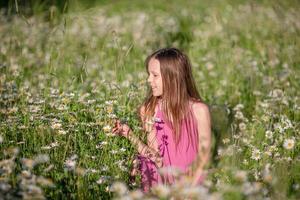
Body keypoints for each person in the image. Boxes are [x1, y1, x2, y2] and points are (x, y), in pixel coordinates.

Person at [112, 47, 212, 192]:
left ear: (172, 77)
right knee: (141, 163)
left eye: (154, 75)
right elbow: (156, 158)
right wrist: (129, 134)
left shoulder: (199, 110)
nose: (149, 80)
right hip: (162, 183)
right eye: (149, 74)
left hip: (192, 184)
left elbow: (204, 158)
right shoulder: (149, 110)